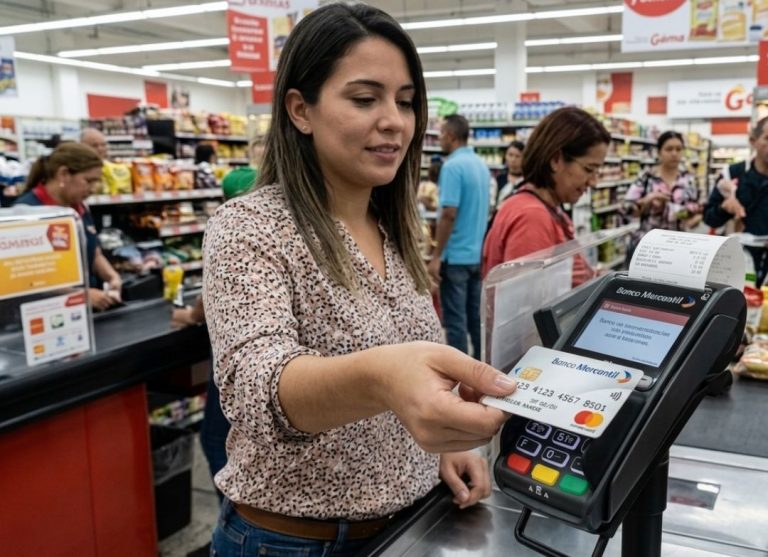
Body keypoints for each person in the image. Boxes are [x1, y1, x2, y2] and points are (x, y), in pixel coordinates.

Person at [202, 4, 517, 555]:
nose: (394, 120)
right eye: (365, 99)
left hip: (409, 525)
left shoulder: (394, 227)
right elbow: (254, 388)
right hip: (293, 542)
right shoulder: (250, 226)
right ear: (301, 110)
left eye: (405, 101)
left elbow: (411, 369)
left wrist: (441, 445)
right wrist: (382, 379)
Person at [482, 106, 609, 286]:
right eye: (588, 169)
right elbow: (525, 298)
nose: (594, 182)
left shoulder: (547, 207)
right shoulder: (532, 217)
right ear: (556, 159)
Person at [14, 143, 122, 311]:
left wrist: (112, 277)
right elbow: (27, 278)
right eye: (89, 181)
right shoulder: (26, 212)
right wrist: (80, 295)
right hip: (45, 313)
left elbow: (93, 252)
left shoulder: (80, 207)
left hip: (85, 313)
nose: (94, 189)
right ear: (63, 174)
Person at [426, 114, 490, 360]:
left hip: (455, 257)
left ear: (451, 136)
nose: (439, 138)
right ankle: (481, 366)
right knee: (475, 318)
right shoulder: (480, 165)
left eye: (441, 133)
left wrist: (437, 256)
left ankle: (459, 375)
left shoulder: (452, 166)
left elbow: (449, 213)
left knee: (455, 321)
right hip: (475, 255)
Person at [704, 116, 768, 286]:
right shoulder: (732, 174)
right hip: (738, 260)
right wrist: (724, 208)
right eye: (767, 138)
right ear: (753, 141)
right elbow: (709, 218)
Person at [622, 131, 702, 264]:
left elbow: (696, 212)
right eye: (669, 149)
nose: (674, 153)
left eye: (678, 149)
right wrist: (648, 199)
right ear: (659, 152)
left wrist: (687, 216)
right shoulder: (647, 177)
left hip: (678, 247)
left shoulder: (689, 180)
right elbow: (627, 210)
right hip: (647, 248)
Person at [495, 140, 525, 209]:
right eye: (510, 155)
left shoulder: (527, 181)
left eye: (518, 156)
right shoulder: (499, 179)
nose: (513, 160)